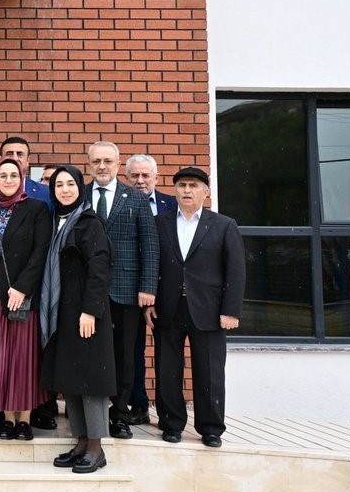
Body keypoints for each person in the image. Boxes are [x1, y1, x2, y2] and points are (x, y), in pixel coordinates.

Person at [147, 167, 245, 448]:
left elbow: (236, 271)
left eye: (193, 185)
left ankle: (211, 428)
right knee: (167, 368)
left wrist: (231, 311)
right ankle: (171, 424)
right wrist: (149, 301)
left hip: (210, 310)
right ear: (175, 190)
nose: (186, 190)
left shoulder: (224, 225)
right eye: (181, 185)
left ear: (206, 191)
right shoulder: (161, 222)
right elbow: (152, 265)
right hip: (168, 307)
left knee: (210, 370)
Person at [39, 166, 115, 473]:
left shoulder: (88, 222)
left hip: (85, 314)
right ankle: (81, 442)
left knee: (90, 382)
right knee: (70, 380)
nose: (65, 189)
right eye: (59, 185)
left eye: (71, 184)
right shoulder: (55, 221)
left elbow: (100, 268)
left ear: (80, 188)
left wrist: (90, 311)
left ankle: (96, 448)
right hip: (64, 313)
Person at [84, 140, 158, 440]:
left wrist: (148, 287)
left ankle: (121, 414)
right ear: (89, 164)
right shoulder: (79, 195)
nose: (102, 166)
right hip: (87, 291)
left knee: (126, 355)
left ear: (118, 165)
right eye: (96, 161)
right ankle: (94, 415)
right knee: (91, 354)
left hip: (126, 290)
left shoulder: (136, 198)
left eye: (108, 161)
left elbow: (149, 247)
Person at [0, 158, 52, 441]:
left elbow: (40, 250)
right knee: (0, 355)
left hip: (20, 293)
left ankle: (25, 420)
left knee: (22, 356)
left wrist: (22, 288)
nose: (8, 180)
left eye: (13, 176)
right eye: (3, 176)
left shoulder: (36, 210)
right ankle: (7, 418)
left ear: (22, 179)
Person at [123, 152, 175, 425]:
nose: (140, 181)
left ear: (156, 177)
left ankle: (168, 411)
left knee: (168, 351)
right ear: (126, 178)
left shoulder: (172, 206)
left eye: (146, 176)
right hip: (132, 291)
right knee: (134, 351)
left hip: (167, 292)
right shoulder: (121, 203)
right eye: (135, 176)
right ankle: (138, 403)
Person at [0, 137, 52, 220]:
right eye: (9, 153)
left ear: (28, 160)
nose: (15, 158)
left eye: (20, 154)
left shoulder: (46, 193)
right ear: (0, 159)